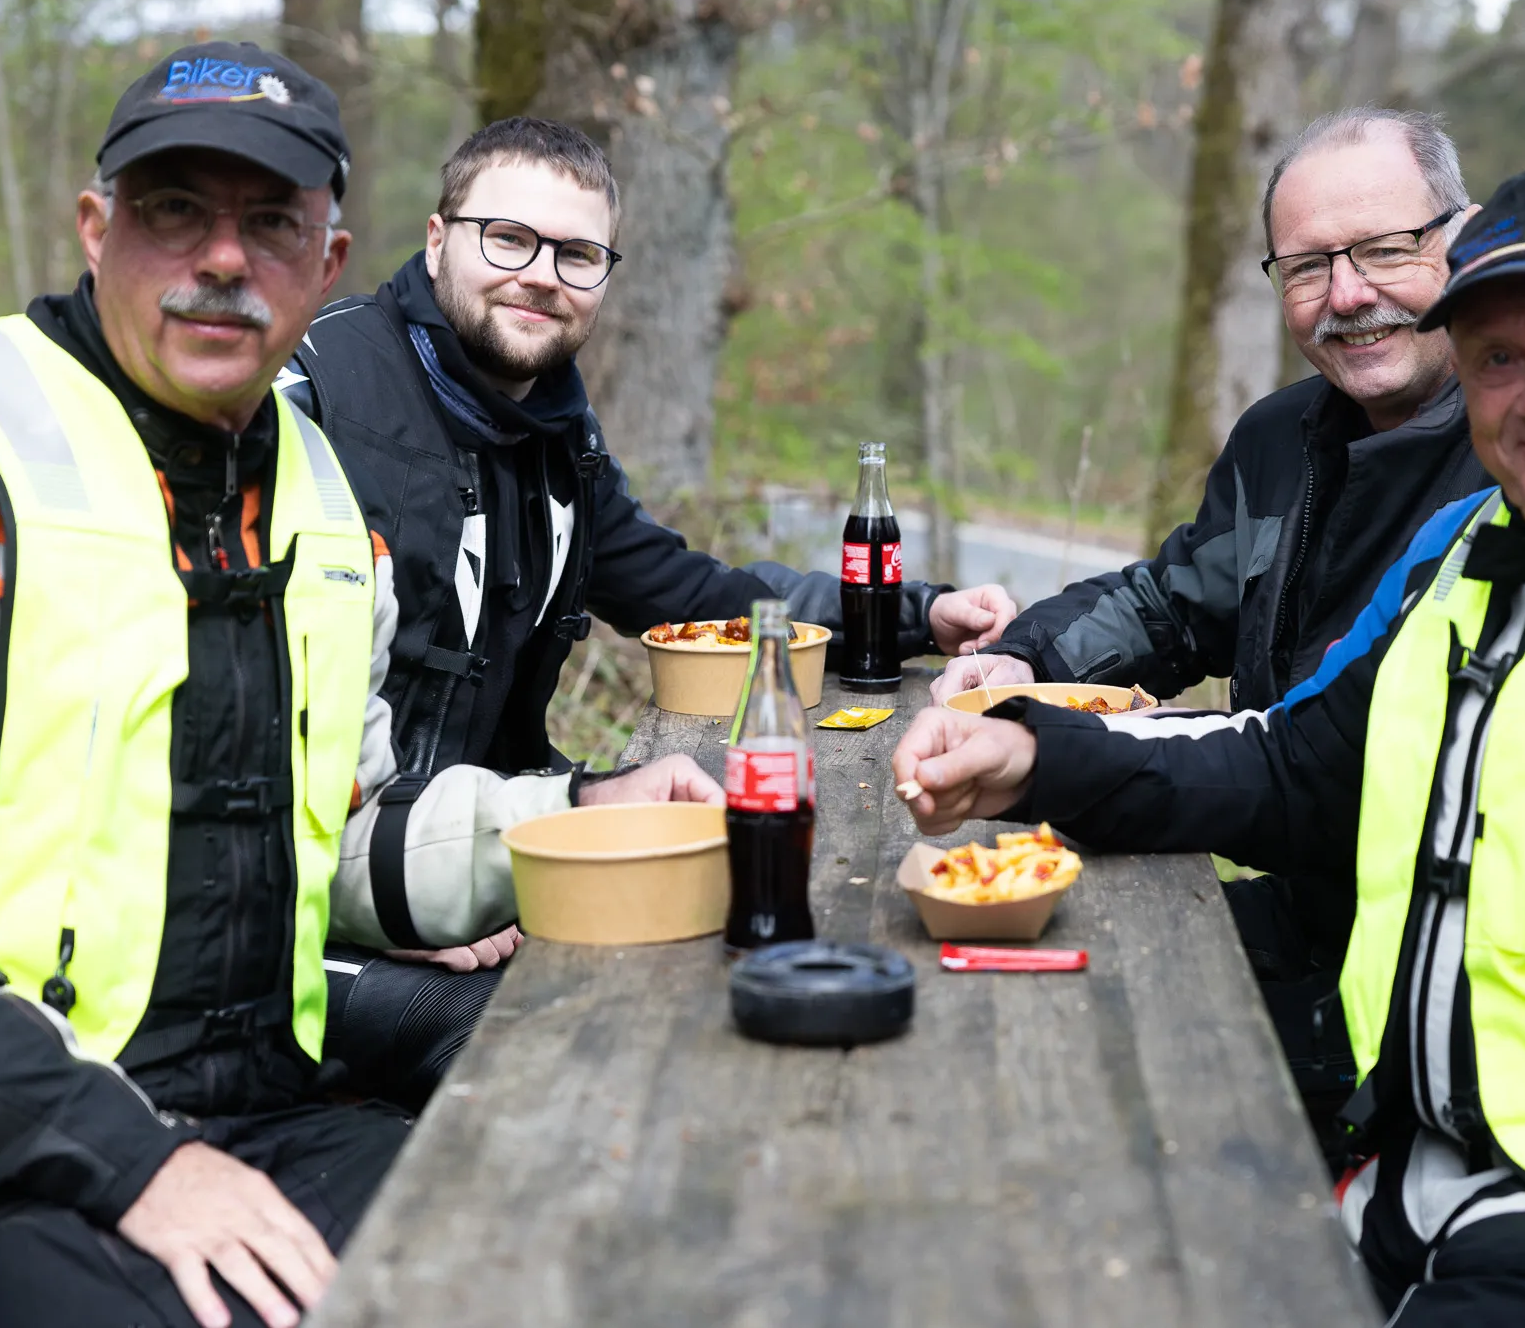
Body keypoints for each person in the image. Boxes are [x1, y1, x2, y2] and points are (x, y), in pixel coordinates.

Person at [892, 159, 1525, 1324]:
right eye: (1497, 358)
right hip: (1419, 1173)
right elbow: (1295, 763)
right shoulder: (1468, 543)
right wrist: (1031, 755)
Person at [0, 42, 716, 1328]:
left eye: (270, 223)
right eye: (174, 210)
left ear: (327, 263)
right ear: (96, 229)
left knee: (587, 1246)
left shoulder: (316, 495)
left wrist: (580, 814)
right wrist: (132, 1160)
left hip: (259, 1115)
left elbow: (346, 834)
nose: (223, 258)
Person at [276, 117, 1015, 1100]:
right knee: (569, 1036)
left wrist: (910, 614)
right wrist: (409, 899)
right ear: (437, 238)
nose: (541, 276)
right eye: (509, 238)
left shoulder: (550, 428)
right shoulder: (315, 401)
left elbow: (686, 592)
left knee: (737, 915)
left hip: (490, 844)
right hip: (318, 902)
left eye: (576, 255)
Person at [948, 106, 1495, 1146]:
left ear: (1461, 237)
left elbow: (1327, 770)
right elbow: (1173, 602)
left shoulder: (1521, 458)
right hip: (1298, 905)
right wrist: (1022, 659)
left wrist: (1048, 755)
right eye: (1306, 267)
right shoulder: (1281, 439)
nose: (1347, 295)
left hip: (1435, 972)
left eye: (1384, 249)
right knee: (987, 980)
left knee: (1084, 1069)